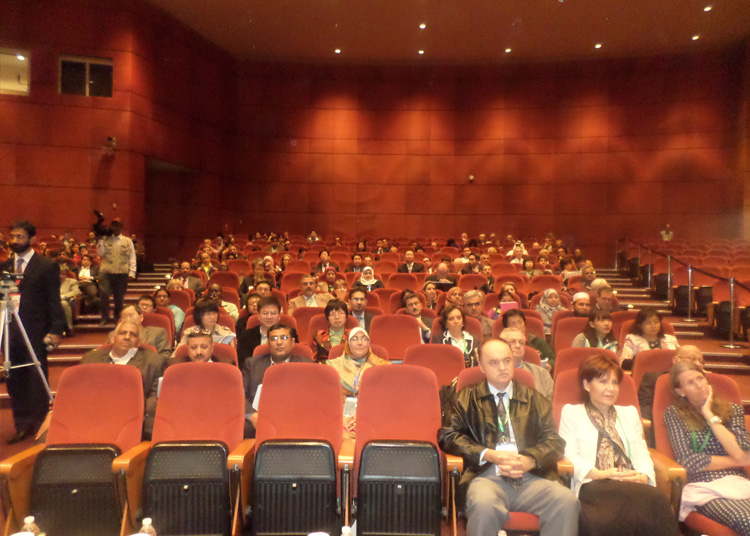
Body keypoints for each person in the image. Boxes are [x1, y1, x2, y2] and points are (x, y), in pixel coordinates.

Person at [439, 339, 579, 536]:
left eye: (507, 360)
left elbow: (555, 442)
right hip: (485, 476)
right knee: (483, 504)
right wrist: (488, 454)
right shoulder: (465, 398)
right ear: (481, 366)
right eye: (494, 362)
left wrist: (531, 459)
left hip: (531, 476)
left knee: (566, 501)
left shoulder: (534, 398)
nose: (502, 367)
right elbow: (448, 436)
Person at [559, 355, 678, 536]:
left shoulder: (629, 413)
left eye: (614, 383)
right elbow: (569, 455)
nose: (611, 388)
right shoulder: (572, 412)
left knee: (654, 499)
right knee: (648, 500)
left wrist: (644, 476)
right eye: (603, 382)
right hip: (594, 484)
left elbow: (641, 452)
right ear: (586, 385)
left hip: (629, 480)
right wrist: (601, 474)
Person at [664, 360, 750, 534]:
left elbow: (743, 452)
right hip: (704, 487)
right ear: (680, 391)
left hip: (739, 483)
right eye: (690, 382)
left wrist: (710, 415)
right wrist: (737, 460)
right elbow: (687, 461)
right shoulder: (674, 414)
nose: (699, 385)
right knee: (746, 518)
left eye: (700, 378)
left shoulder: (732, 410)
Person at [1, 221, 66, 444]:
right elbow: (3, 301)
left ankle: (38, 424)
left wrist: (56, 329)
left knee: (35, 379)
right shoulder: (5, 267)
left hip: (36, 331)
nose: (15, 241)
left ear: (32, 239)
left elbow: (54, 301)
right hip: (10, 332)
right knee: (14, 380)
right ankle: (21, 424)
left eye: (20, 237)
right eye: (13, 236)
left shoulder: (46, 266)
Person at [81, 320, 166, 439]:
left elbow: (154, 398)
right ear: (113, 337)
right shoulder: (90, 359)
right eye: (123, 333)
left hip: (132, 419)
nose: (127, 337)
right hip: (95, 416)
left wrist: (137, 419)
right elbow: (81, 393)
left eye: (133, 334)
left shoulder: (153, 361)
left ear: (139, 342)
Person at [242, 323, 313, 437]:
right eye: (274, 339)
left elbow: (313, 397)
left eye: (284, 338)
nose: (279, 342)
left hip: (296, 419)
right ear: (268, 343)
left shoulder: (307, 365)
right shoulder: (252, 364)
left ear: (292, 342)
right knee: (241, 428)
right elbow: (239, 395)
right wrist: (251, 415)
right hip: (259, 419)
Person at [326, 327, 391, 434]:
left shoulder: (383, 367)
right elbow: (327, 401)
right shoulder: (333, 366)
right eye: (355, 339)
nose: (360, 343)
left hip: (372, 419)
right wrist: (341, 419)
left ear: (368, 343)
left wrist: (363, 419)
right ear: (348, 344)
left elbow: (385, 401)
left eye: (364, 339)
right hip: (340, 419)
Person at [236, 296, 296, 367]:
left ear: (279, 316)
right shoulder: (246, 336)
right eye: (265, 313)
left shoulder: (290, 333)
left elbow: (294, 358)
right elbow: (243, 363)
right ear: (258, 315)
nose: (269, 317)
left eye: (273, 313)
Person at [97, 218, 136, 325]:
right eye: (114, 225)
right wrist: (100, 239)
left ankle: (117, 317)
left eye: (118, 225)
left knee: (119, 297)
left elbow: (132, 257)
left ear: (121, 227)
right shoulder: (105, 239)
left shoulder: (127, 241)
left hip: (121, 273)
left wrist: (132, 272)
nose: (115, 228)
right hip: (106, 272)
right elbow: (100, 253)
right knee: (104, 294)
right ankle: (104, 317)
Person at [501, 328, 554, 400]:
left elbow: (552, 403)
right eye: (513, 342)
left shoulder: (542, 374)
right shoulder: (493, 374)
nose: (518, 346)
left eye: (521, 342)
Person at [59, 263, 81, 336]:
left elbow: (76, 292)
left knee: (63, 303)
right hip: (53, 301)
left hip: (67, 301)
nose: (61, 276)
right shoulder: (52, 282)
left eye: (63, 274)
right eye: (59, 274)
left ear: (67, 274)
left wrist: (64, 296)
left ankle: (69, 328)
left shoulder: (72, 281)